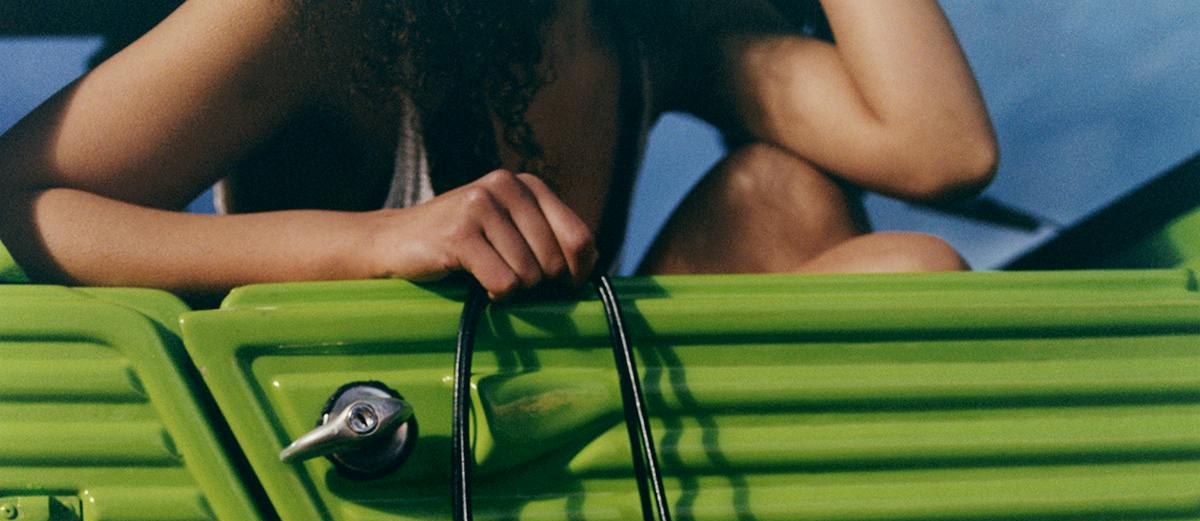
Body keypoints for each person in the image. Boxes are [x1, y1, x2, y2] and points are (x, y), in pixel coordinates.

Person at [0, 0, 998, 300]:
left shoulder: (648, 29)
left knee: (807, 206)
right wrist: (374, 241)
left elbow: (940, 148)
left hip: (573, 432)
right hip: (387, 472)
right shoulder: (324, 17)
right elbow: (23, 197)